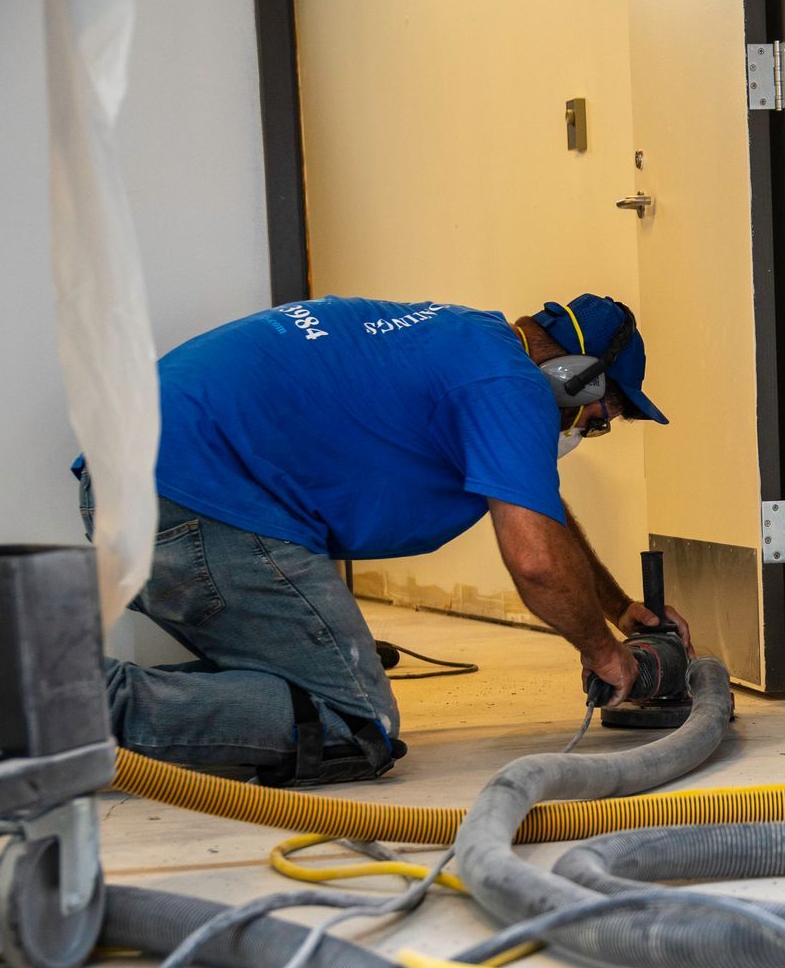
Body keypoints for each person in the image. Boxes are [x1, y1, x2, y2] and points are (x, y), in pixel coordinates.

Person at [79, 293, 689, 783]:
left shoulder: (468, 345)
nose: (597, 427)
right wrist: (603, 653)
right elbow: (536, 563)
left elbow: (541, 509)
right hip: (197, 499)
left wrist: (618, 609)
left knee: (320, 686)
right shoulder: (508, 387)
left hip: (142, 486)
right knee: (355, 724)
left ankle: (73, 689)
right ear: (574, 377)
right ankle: (69, 705)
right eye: (605, 414)